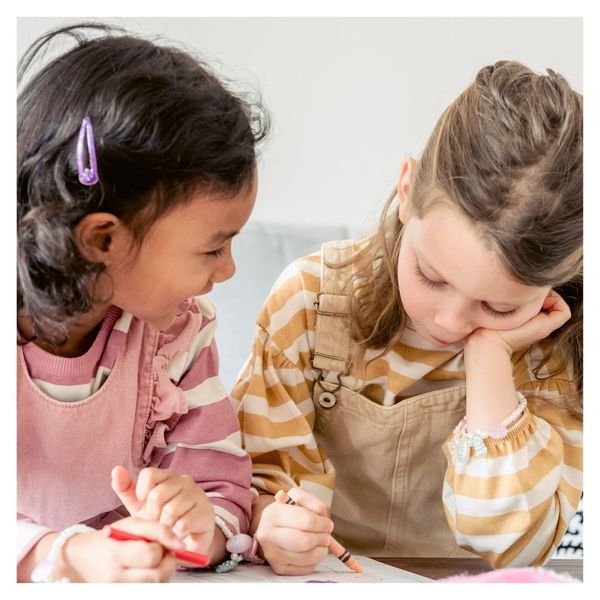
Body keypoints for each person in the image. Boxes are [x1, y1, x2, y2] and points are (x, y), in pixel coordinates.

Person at [231, 60, 583, 575]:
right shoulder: (310, 302)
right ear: (406, 189)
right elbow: (260, 484)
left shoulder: (559, 348)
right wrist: (272, 521)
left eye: (499, 307)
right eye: (432, 276)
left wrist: (491, 361)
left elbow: (518, 548)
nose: (450, 321)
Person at [17, 23, 269, 582]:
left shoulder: (177, 333)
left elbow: (225, 492)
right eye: (213, 247)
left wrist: (199, 526)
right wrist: (68, 557)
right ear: (102, 239)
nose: (228, 270)